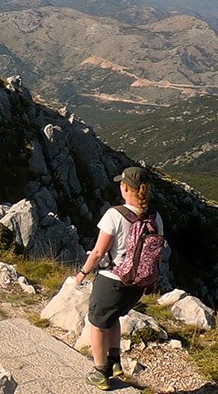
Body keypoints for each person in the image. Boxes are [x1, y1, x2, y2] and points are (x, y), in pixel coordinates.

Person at [76, 166, 165, 389]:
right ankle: (115, 361)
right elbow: (157, 254)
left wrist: (82, 273)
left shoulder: (114, 215)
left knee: (96, 323)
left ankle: (100, 373)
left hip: (112, 281)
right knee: (112, 316)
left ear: (125, 187)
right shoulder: (156, 217)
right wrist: (152, 281)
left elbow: (98, 252)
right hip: (136, 286)